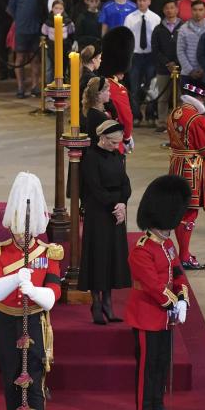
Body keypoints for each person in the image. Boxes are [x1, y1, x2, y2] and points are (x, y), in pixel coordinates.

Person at [0, 173, 61, 410]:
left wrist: (35, 291)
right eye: (17, 230)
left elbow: (53, 295)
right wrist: (17, 278)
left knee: (36, 388)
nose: (22, 236)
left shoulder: (47, 253)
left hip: (36, 324)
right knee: (10, 384)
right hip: (7, 324)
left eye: (25, 230)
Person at [125, 174, 191, 410]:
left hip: (165, 317)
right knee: (147, 366)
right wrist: (174, 303)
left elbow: (177, 273)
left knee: (162, 363)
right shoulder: (142, 249)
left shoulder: (167, 244)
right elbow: (153, 286)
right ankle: (145, 408)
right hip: (147, 316)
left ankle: (158, 404)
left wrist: (183, 298)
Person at [81, 119, 131, 321]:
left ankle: (108, 303)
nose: (115, 146)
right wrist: (115, 205)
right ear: (102, 138)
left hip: (115, 212)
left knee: (113, 257)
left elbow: (125, 183)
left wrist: (123, 203)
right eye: (112, 142)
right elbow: (95, 188)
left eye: (118, 142)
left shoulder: (117, 155)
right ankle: (96, 303)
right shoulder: (91, 157)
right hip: (98, 213)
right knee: (98, 257)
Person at [166, 82, 205, 270]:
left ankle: (181, 253)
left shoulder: (174, 113)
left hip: (176, 165)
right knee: (189, 212)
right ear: (201, 98)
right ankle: (184, 255)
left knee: (180, 210)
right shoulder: (198, 119)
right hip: (192, 169)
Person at [8, 0, 45, 98]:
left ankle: (35, 86)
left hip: (37, 30)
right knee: (20, 58)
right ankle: (20, 87)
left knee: (35, 59)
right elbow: (11, 9)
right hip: (22, 30)